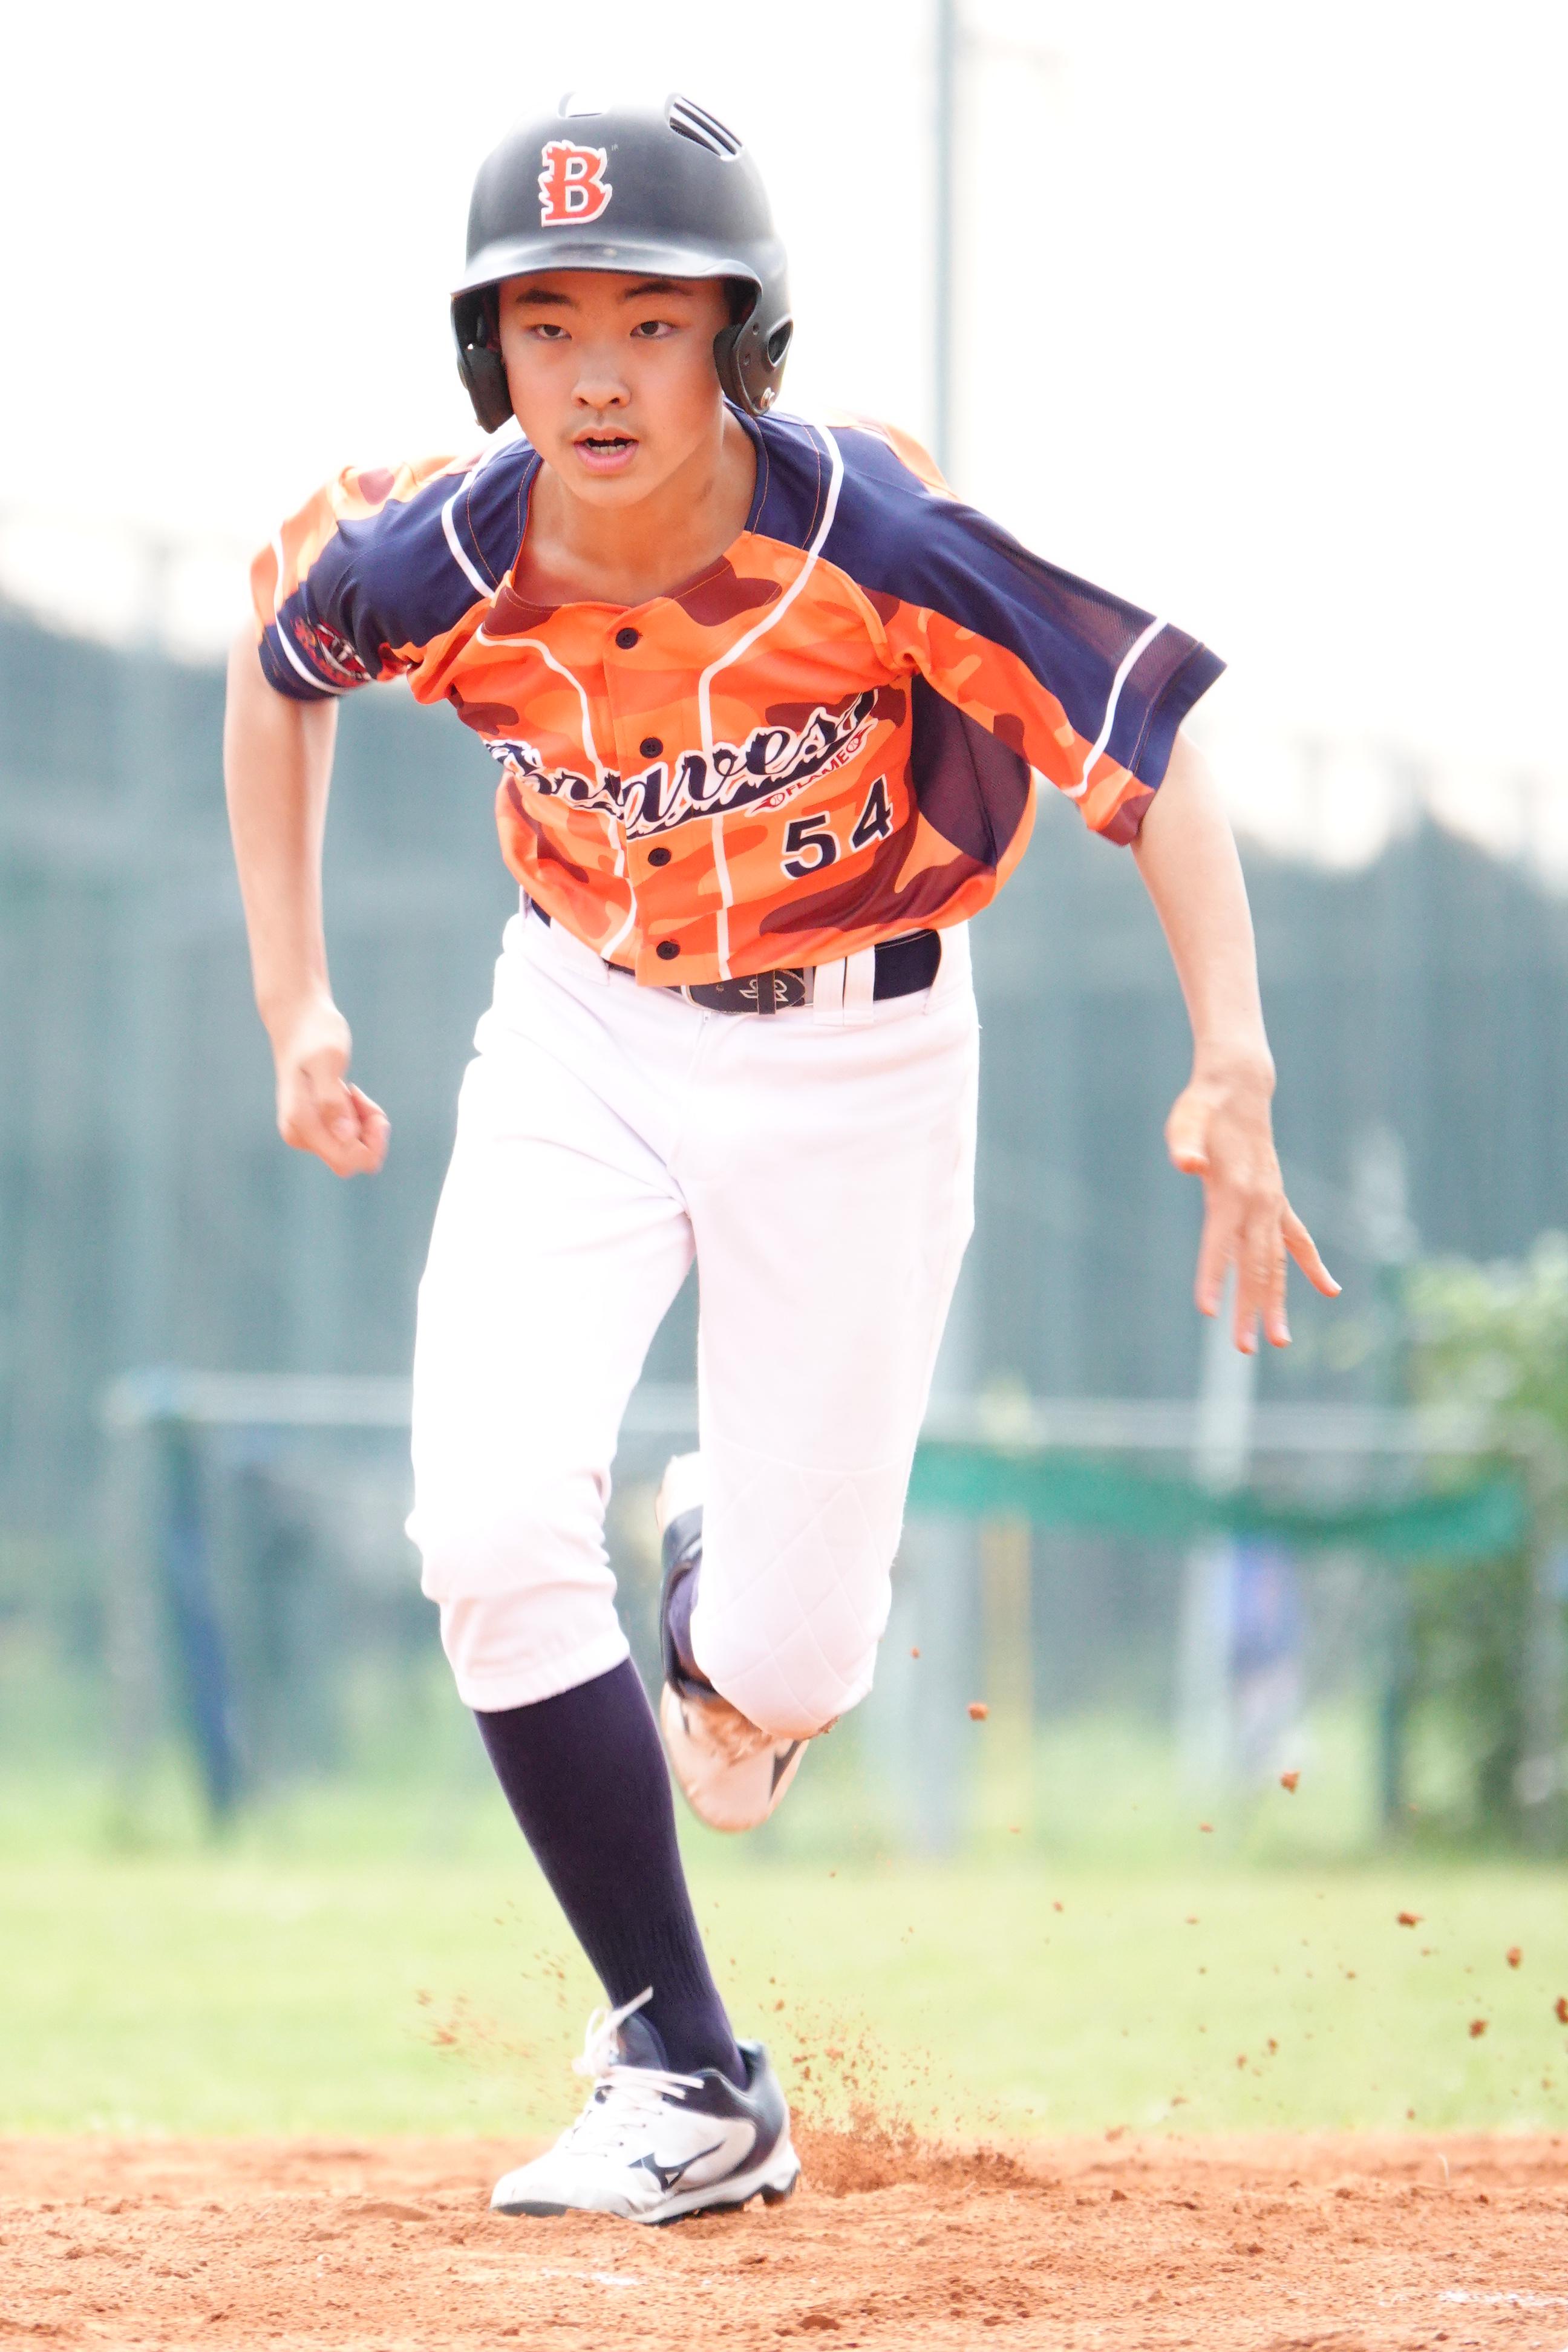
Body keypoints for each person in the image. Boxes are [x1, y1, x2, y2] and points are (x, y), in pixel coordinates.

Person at [223, 92, 1337, 2226]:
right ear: (489, 355)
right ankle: (689, 2070)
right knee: (486, 1522)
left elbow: (1148, 740)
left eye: (650, 321)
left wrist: (1236, 1052)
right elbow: (278, 667)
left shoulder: (875, 535)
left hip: (861, 1060)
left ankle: (729, 1594)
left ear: (740, 337)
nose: (596, 374)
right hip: (580, 1026)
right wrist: (299, 998)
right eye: (546, 324)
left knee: (784, 1690)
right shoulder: (436, 549)